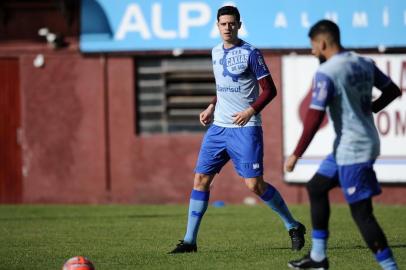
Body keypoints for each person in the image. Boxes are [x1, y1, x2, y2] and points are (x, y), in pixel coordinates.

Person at [169, 5, 306, 254]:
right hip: (218, 128)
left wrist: (250, 111)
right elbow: (224, 88)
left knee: (254, 185)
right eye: (223, 23)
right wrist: (211, 106)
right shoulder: (214, 52)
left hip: (246, 127)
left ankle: (293, 225)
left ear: (239, 25)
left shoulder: (251, 53)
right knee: (200, 180)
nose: (227, 27)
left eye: (232, 23)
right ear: (217, 25)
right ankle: (189, 241)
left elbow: (269, 90)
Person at [285, 20, 401, 270]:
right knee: (316, 187)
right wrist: (370, 109)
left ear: (323, 42)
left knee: (361, 213)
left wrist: (296, 154)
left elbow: (314, 117)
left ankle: (391, 267)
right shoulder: (363, 63)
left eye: (313, 46)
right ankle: (318, 258)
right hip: (351, 143)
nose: (313, 51)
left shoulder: (327, 72)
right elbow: (393, 90)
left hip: (354, 148)